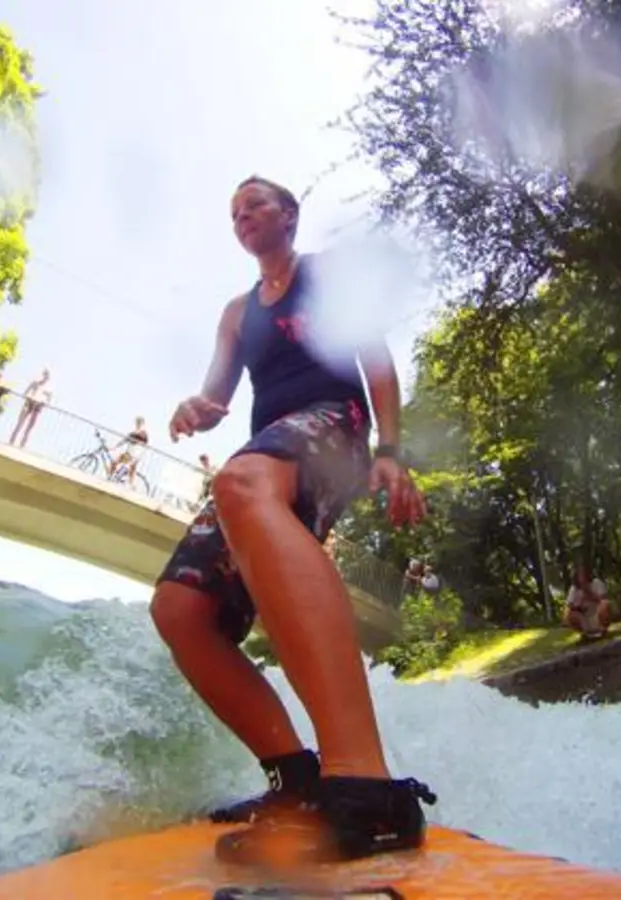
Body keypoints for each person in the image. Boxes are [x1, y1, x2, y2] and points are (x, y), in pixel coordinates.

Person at [151, 175, 435, 866]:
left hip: (335, 427)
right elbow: (218, 395)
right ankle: (294, 778)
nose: (242, 215)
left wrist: (391, 452)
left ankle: (366, 789)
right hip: (270, 451)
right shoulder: (234, 313)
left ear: (289, 215)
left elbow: (373, 360)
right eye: (233, 210)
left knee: (241, 479)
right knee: (180, 608)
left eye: (255, 203)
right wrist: (198, 406)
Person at [563, 568, 611, 639]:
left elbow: (603, 600)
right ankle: (585, 633)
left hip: (596, 612)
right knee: (570, 615)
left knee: (605, 604)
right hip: (584, 617)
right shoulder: (574, 589)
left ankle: (602, 629)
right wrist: (579, 606)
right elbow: (569, 606)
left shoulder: (596, 583)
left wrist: (590, 595)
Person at [10, 368, 52, 447]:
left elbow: (48, 400)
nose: (45, 376)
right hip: (30, 402)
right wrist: (28, 397)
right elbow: (26, 392)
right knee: (20, 422)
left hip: (38, 406)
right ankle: (12, 440)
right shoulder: (35, 383)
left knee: (30, 427)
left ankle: (22, 444)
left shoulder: (49, 389)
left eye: (47, 375)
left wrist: (43, 402)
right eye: (45, 374)